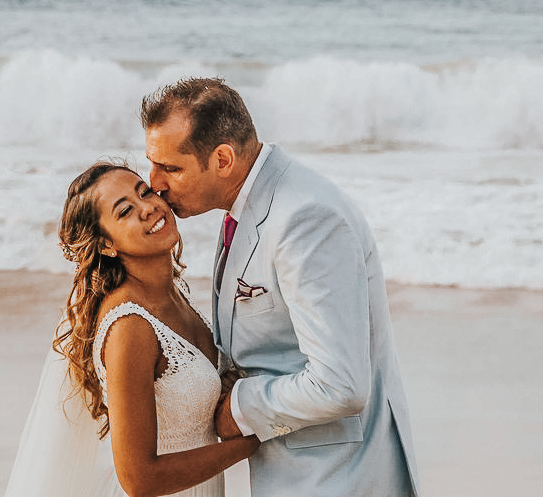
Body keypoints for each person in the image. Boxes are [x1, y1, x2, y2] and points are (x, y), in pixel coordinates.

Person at [141, 77, 419, 497]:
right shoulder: (248, 203)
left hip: (339, 478)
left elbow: (339, 385)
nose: (154, 181)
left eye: (171, 167)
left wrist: (239, 407)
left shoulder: (304, 218)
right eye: (153, 162)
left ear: (222, 159)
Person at [4, 161, 258, 497]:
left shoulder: (175, 294)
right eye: (125, 211)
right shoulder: (130, 328)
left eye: (145, 192)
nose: (148, 208)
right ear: (106, 245)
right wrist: (256, 442)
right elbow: (139, 479)